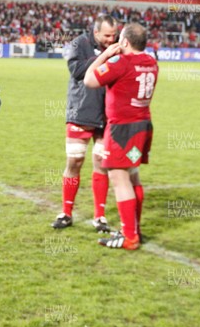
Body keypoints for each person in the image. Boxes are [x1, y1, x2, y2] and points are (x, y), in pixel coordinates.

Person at [84, 22, 158, 250]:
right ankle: (134, 229)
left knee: (118, 178)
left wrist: (106, 54)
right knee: (133, 176)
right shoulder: (151, 62)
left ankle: (130, 236)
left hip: (122, 130)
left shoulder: (121, 62)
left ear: (124, 42)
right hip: (143, 126)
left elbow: (89, 80)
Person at [51, 15, 118, 232]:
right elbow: (78, 71)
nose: (111, 39)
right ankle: (66, 213)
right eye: (107, 35)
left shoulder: (117, 46)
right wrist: (106, 56)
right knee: (75, 162)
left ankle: (100, 216)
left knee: (101, 164)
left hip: (106, 114)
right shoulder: (79, 44)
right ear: (96, 32)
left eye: (114, 35)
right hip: (80, 112)